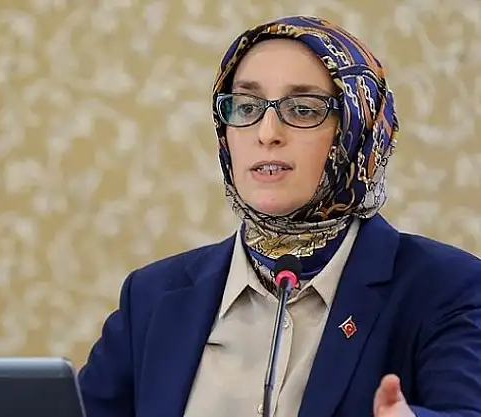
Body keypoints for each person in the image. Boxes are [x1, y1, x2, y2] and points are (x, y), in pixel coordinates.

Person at [76, 15, 481, 417]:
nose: (267, 132)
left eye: (302, 110)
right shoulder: (152, 297)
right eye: (246, 107)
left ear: (357, 129)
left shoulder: (446, 287)